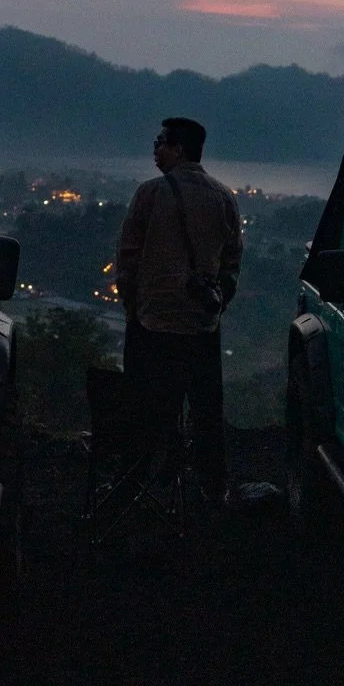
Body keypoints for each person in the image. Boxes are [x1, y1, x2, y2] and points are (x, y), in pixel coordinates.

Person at [115, 118, 244, 509]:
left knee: (145, 403)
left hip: (151, 324)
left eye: (160, 143)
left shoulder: (150, 195)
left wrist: (132, 308)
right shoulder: (224, 197)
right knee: (206, 409)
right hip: (202, 326)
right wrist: (218, 302)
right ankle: (212, 488)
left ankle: (139, 479)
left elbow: (127, 259)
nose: (155, 150)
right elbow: (232, 261)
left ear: (179, 150)